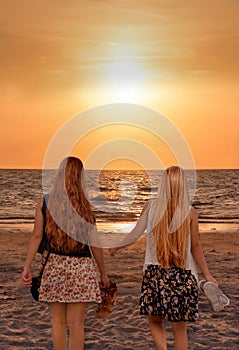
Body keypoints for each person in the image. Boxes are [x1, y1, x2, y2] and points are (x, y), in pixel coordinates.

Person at [109, 166, 218, 350]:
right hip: (183, 275)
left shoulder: (151, 206)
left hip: (155, 274)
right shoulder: (190, 212)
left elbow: (135, 233)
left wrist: (117, 247)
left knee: (155, 322)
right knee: (179, 328)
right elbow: (196, 246)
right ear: (182, 185)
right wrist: (207, 275)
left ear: (163, 185)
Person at [22, 157, 110, 350]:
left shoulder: (45, 202)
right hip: (82, 268)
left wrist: (27, 266)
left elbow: (37, 236)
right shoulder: (86, 205)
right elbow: (95, 243)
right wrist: (103, 272)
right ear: (80, 177)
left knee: (58, 322)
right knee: (77, 324)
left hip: (54, 266)